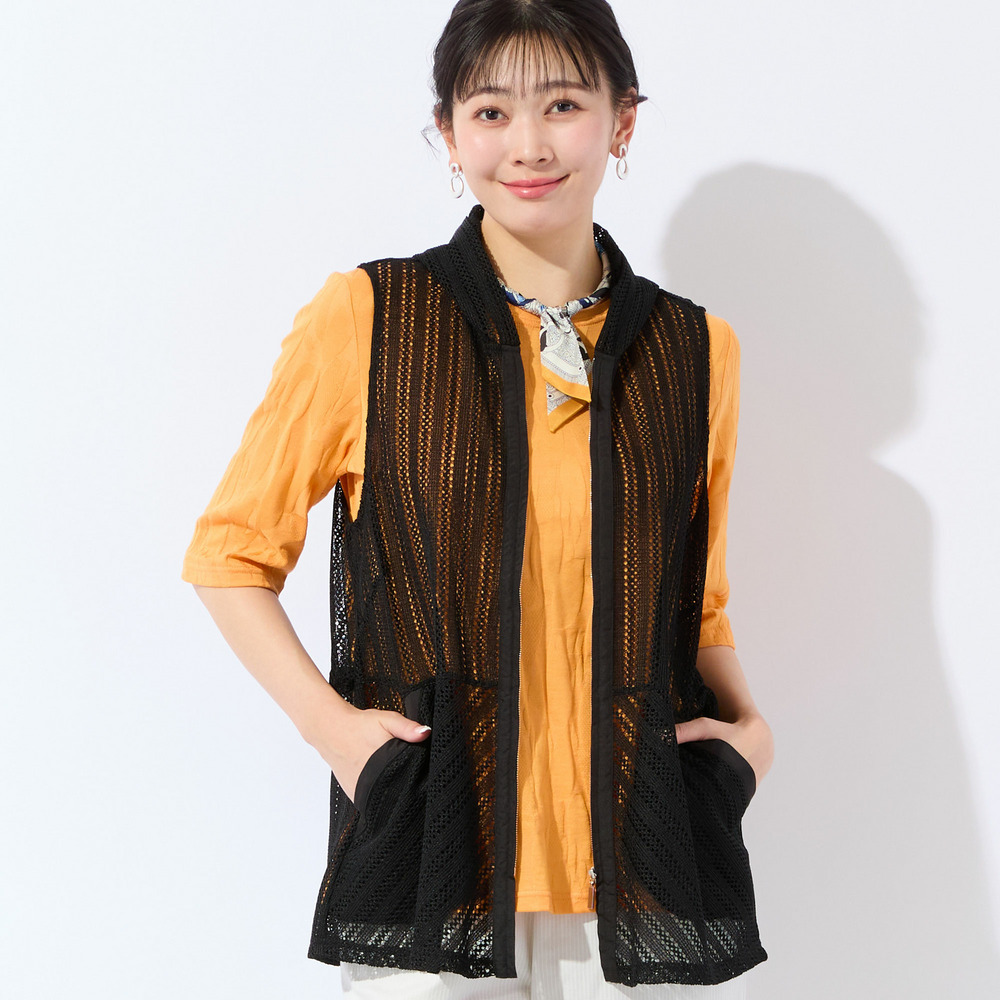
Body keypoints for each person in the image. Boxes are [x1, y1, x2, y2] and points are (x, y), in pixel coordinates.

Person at [182, 0, 774, 996]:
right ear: (449, 134)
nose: (528, 144)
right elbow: (228, 558)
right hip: (435, 857)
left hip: (638, 865)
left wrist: (751, 734)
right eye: (491, 111)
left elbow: (694, 601)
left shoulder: (696, 350)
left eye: (564, 105)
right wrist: (338, 737)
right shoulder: (371, 317)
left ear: (623, 121)